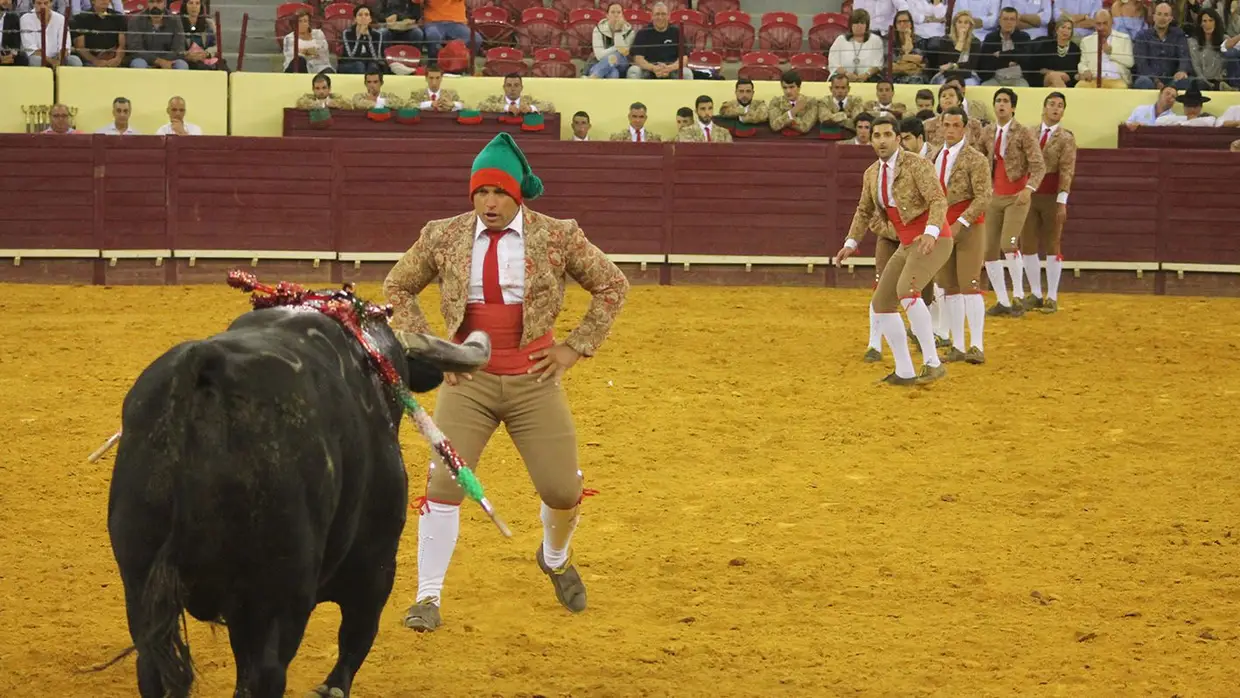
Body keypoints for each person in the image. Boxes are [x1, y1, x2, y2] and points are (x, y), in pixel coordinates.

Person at [382, 133, 631, 631]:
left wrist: (575, 346)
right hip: (466, 383)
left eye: (498, 193)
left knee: (561, 490)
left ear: (517, 194)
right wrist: (435, 351)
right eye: (480, 193)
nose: (489, 204)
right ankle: (427, 597)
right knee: (443, 484)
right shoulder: (442, 235)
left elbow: (612, 284)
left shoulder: (558, 235)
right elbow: (397, 286)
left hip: (533, 379)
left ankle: (555, 558)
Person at [836, 116, 952, 385]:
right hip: (907, 242)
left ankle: (933, 363)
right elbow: (864, 211)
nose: (882, 140)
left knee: (907, 291)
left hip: (934, 238)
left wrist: (932, 232)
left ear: (898, 138)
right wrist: (850, 243)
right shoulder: (872, 173)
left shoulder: (917, 164)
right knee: (881, 303)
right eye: (876, 135)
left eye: (887, 134)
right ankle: (905, 371)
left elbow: (937, 200)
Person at [930, 106, 992, 363]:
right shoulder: (935, 157)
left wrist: (962, 222)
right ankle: (957, 344)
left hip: (968, 228)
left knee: (970, 286)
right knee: (949, 287)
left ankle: (976, 346)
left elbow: (984, 196)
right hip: (944, 227)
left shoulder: (976, 158)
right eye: (947, 125)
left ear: (965, 128)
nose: (951, 130)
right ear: (941, 126)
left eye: (956, 125)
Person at [980, 87, 1044, 316]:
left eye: (1006, 101)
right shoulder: (987, 132)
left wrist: (1029, 188)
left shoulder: (1024, 132)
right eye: (998, 101)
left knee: (1008, 244)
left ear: (1013, 107)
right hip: (994, 196)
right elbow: (980, 162)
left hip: (1017, 195)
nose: (1001, 105)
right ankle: (1003, 301)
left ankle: (1017, 296)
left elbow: (1038, 165)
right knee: (988, 250)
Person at [1020, 91, 1076, 313]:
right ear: (1043, 108)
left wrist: (1062, 200)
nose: (1055, 108)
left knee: (1053, 244)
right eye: (1052, 104)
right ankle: (1035, 293)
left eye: (1060, 105)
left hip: (1052, 195)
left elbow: (1067, 170)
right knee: (1028, 245)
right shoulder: (1029, 133)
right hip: (1029, 194)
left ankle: (1051, 296)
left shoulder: (1066, 138)